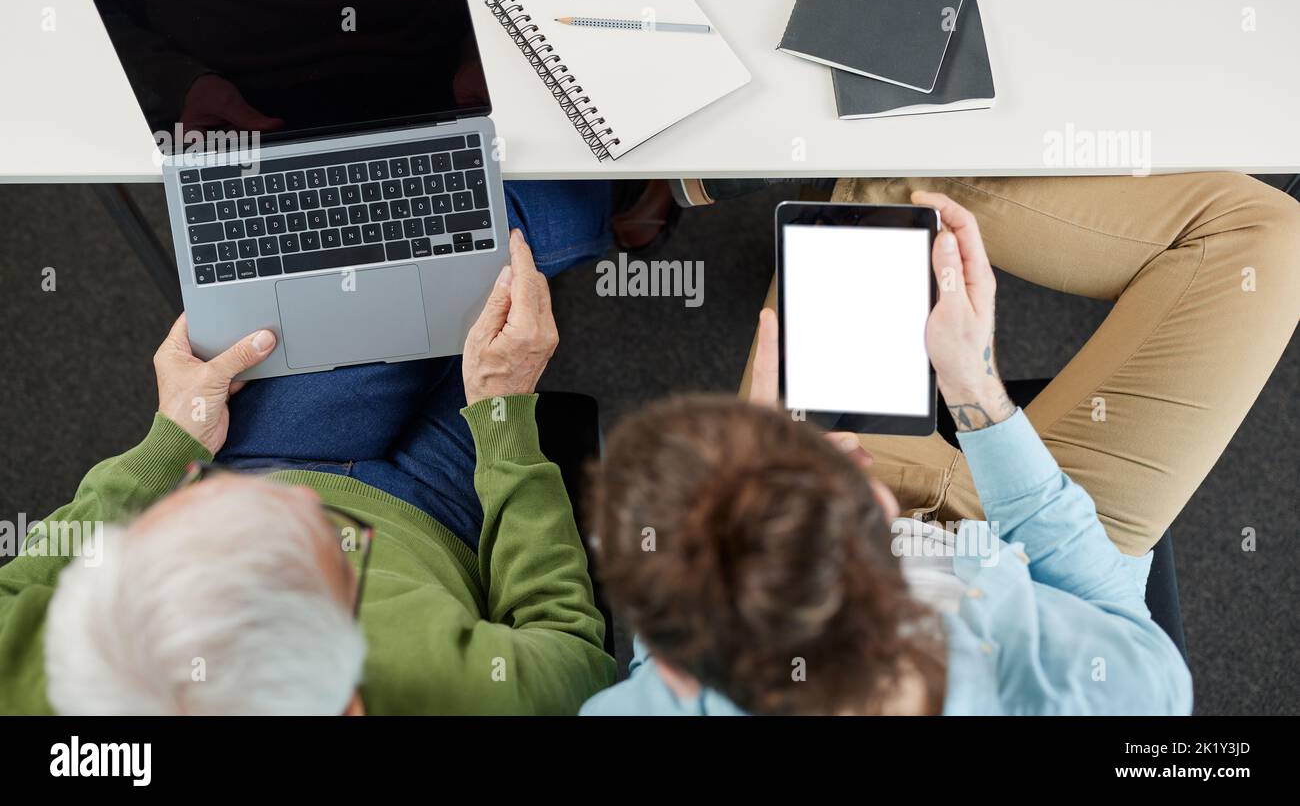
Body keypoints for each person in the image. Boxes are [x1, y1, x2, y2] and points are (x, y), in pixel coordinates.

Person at [582, 175, 1300, 715]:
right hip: (1048, 561)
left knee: (878, 202)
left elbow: (663, 646)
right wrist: (980, 398)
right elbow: (1113, 608)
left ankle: (722, 176)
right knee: (1263, 238)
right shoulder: (1122, 697)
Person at [0, 183, 617, 714]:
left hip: (258, 455)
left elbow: (17, 587)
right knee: (512, 241)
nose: (309, 512)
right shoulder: (462, 695)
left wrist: (169, 445)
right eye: (324, 566)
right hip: (449, 514)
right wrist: (503, 417)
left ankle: (619, 199)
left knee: (423, 234)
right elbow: (569, 645)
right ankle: (626, 195)